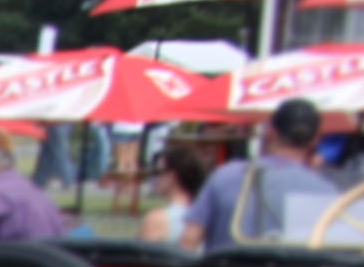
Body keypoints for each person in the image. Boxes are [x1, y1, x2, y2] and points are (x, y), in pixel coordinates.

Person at [195, 99, 336, 249]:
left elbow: (190, 239)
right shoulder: (328, 194)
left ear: (270, 131)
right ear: (316, 139)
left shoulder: (224, 176)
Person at [139, 141, 214, 250]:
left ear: (173, 175)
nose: (154, 177)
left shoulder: (157, 219)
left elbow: (141, 261)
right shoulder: (208, 217)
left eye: (157, 171)